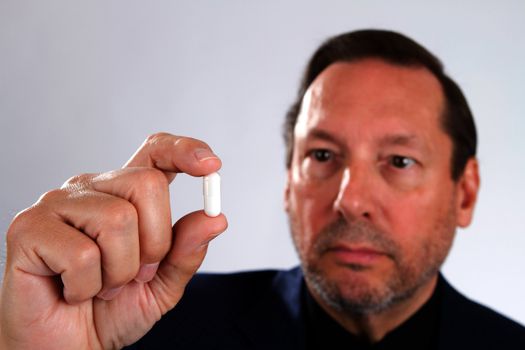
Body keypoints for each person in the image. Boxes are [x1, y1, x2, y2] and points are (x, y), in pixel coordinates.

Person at [0, 29, 524, 350]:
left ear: (465, 194)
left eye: (400, 161)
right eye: (322, 156)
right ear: (288, 182)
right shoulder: (143, 330)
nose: (351, 199)